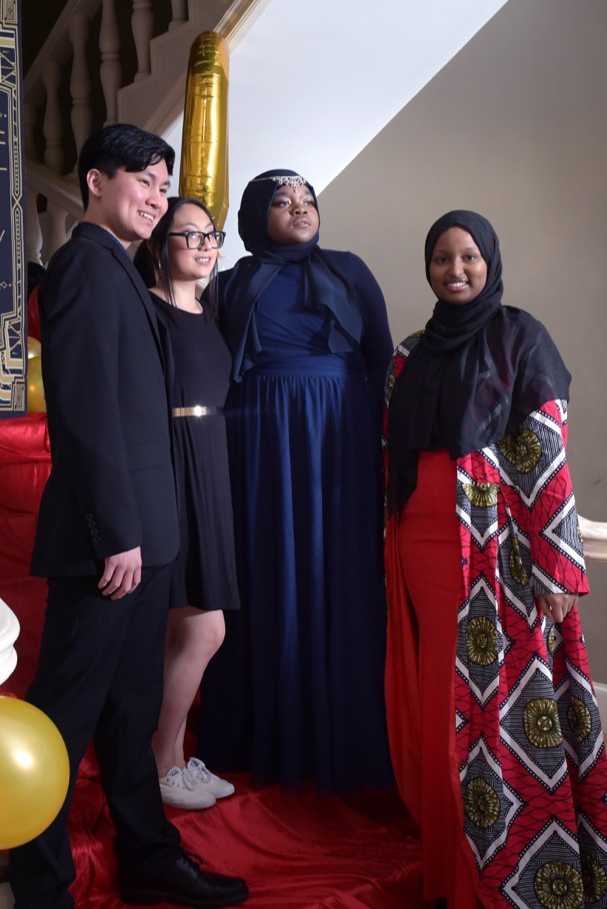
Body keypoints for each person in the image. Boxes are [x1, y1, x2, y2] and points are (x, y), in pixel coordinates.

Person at [9, 125, 248, 909]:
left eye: (161, 183)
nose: (154, 196)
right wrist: (119, 532)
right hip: (109, 543)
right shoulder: (83, 266)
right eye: (142, 180)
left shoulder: (119, 269)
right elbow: (82, 415)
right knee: (64, 717)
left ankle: (148, 853)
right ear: (95, 183)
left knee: (131, 709)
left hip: (150, 538)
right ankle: (40, 885)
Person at [382, 211, 607, 909]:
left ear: (490, 262)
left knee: (494, 714)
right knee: (439, 706)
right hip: (419, 547)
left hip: (497, 554)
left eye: (468, 258)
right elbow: (388, 454)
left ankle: (501, 881)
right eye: (441, 259)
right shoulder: (409, 353)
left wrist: (556, 569)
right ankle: (447, 871)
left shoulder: (522, 338)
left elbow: (546, 458)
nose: (454, 271)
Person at [197, 169, 395, 794]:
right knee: (269, 567)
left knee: (339, 570)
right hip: (258, 440)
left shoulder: (351, 269)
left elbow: (382, 358)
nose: (300, 209)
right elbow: (207, 366)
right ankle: (266, 733)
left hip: (341, 437)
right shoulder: (228, 283)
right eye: (282, 202)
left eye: (308, 200)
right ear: (259, 216)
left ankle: (348, 735)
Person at [134, 198, 241, 811]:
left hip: (210, 463)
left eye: (212, 236)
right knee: (204, 629)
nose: (205, 246)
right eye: (189, 235)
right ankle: (159, 758)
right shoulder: (145, 310)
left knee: (195, 629)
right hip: (170, 465)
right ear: (159, 243)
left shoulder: (211, 311)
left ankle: (172, 758)